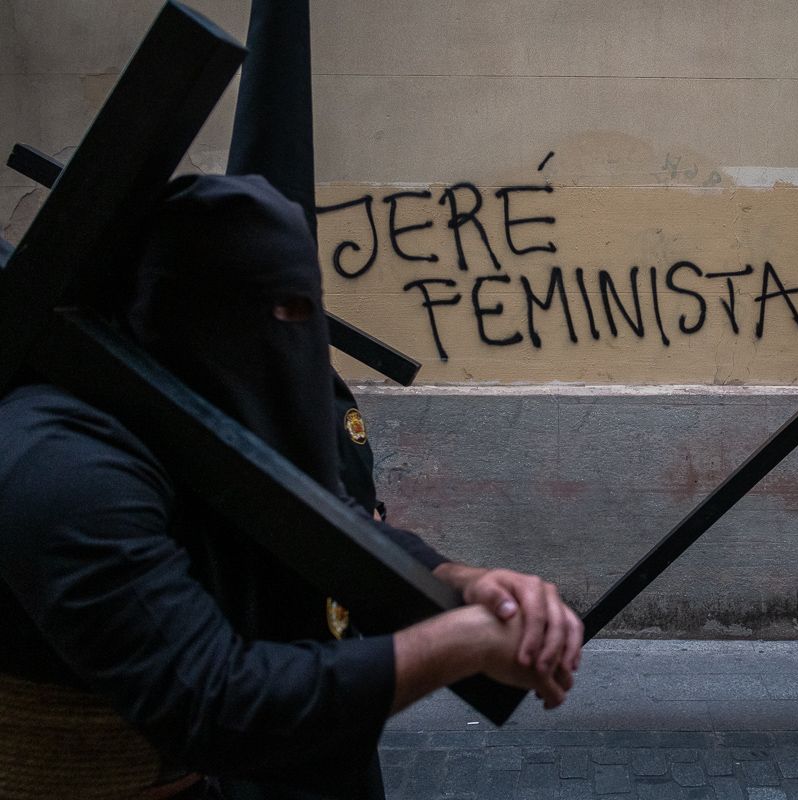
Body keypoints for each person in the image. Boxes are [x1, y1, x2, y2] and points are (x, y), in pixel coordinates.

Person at [0, 174, 583, 799]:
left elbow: (311, 515)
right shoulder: (64, 464)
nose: (291, 330)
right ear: (176, 304)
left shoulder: (199, 403)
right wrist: (453, 643)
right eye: (269, 306)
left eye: (302, 305)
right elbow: (213, 703)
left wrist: (459, 581)